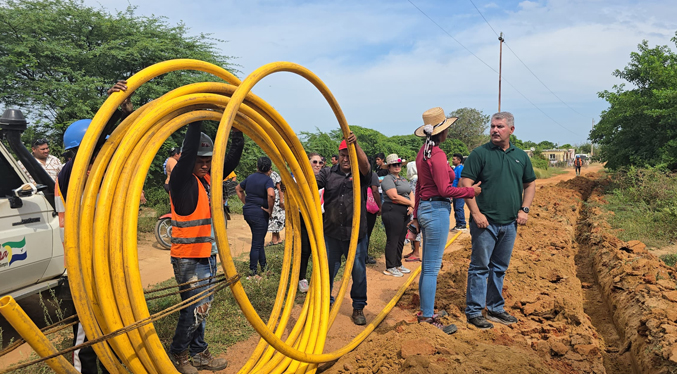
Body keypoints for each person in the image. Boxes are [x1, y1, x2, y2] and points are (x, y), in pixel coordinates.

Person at [55, 80, 133, 374]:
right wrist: (109, 108)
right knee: (87, 330)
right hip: (82, 264)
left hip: (101, 260)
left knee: (111, 319)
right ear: (79, 153)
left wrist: (126, 115)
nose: (100, 158)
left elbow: (122, 145)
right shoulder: (69, 175)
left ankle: (113, 364)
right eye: (95, 151)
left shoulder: (94, 177)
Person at [168, 121, 243, 373]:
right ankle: (179, 353)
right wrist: (196, 117)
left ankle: (198, 353)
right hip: (189, 257)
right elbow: (189, 152)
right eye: (200, 159)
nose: (204, 164)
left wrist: (237, 132)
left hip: (207, 254)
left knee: (203, 309)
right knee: (192, 309)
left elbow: (230, 160)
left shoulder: (208, 177)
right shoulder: (181, 180)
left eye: (208, 159)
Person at [460, 111, 536, 330]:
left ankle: (494, 308)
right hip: (486, 223)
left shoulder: (520, 156)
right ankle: (474, 311)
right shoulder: (480, 153)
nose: (494, 130)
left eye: (500, 126)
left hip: (510, 223)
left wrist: (525, 209)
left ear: (511, 130)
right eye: (492, 126)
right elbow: (466, 182)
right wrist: (475, 213)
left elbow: (529, 184)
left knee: (499, 267)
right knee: (479, 267)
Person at [410, 107, 481, 334]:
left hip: (426, 209)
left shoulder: (423, 153)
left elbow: (421, 188)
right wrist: (470, 192)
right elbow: (444, 189)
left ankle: (426, 310)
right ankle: (428, 318)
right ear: (442, 132)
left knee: (427, 267)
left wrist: (416, 216)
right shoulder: (437, 155)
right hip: (437, 210)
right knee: (431, 268)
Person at [316, 132, 370, 325]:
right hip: (331, 233)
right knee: (327, 269)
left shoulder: (360, 174)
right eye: (343, 155)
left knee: (358, 270)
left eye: (349, 155)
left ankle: (358, 307)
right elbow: (312, 183)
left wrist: (357, 146)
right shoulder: (328, 173)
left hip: (356, 234)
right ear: (338, 156)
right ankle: (324, 302)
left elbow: (366, 166)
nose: (346, 159)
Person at [236, 157, 275, 277]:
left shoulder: (250, 177)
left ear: (257, 167)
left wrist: (246, 203)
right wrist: (270, 209)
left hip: (248, 212)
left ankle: (264, 267)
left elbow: (238, 188)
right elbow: (271, 195)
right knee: (257, 244)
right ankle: (253, 273)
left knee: (259, 240)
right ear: (270, 169)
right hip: (259, 213)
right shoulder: (268, 180)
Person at [380, 154, 414, 277]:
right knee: (393, 239)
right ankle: (390, 266)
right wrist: (410, 203)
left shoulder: (402, 178)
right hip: (392, 210)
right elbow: (394, 196)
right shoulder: (388, 179)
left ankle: (398, 263)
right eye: (394, 165)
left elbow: (410, 192)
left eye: (399, 164)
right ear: (389, 167)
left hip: (404, 211)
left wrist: (411, 205)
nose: (397, 166)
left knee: (400, 239)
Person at [297, 152, 325, 293]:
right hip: (304, 218)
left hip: (321, 218)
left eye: (320, 162)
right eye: (314, 162)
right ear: (307, 163)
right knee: (305, 249)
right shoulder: (300, 179)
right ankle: (301, 278)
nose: (318, 165)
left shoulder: (325, 179)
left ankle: (319, 278)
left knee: (321, 249)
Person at [404, 162, 421, 262]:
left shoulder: (415, 180)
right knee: (412, 229)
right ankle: (413, 250)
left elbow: (414, 195)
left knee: (415, 229)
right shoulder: (414, 180)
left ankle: (416, 252)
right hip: (414, 207)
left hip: (415, 208)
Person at [364, 170, 381, 265]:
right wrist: (379, 207)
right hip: (369, 210)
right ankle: (364, 256)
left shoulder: (355, 172)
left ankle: (362, 255)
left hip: (357, 207)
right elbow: (374, 190)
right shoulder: (372, 174)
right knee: (367, 233)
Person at [267, 170, 286, 245]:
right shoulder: (269, 175)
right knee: (275, 219)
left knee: (274, 218)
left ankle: (274, 240)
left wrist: (281, 200)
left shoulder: (274, 175)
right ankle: (278, 238)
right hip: (273, 200)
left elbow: (280, 188)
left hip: (276, 200)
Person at [451, 153, 467, 231]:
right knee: (456, 208)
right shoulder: (456, 168)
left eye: (454, 159)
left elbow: (461, 179)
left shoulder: (460, 168)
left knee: (459, 208)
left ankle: (462, 224)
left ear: (459, 160)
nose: (452, 160)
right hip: (454, 191)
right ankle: (458, 224)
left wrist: (458, 190)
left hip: (458, 192)